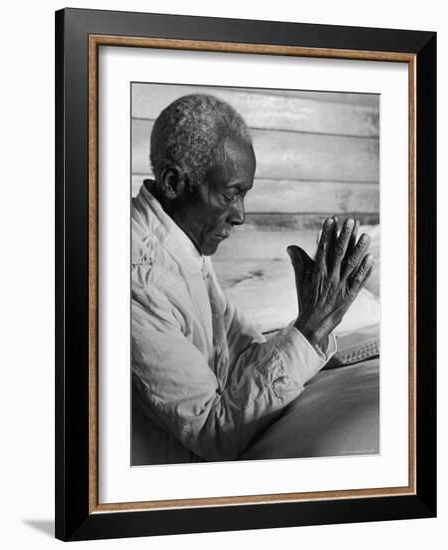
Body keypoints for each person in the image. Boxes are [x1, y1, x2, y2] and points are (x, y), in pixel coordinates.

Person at [131, 94, 374, 465]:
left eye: (244, 194)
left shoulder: (180, 239)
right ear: (173, 182)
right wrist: (309, 329)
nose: (240, 216)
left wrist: (313, 330)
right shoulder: (138, 279)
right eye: (230, 195)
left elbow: (239, 359)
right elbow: (214, 432)